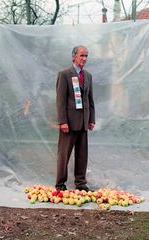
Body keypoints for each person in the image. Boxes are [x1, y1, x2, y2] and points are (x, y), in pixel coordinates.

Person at [55, 45, 95, 192]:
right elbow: (60, 101)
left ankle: (81, 183)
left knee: (82, 155)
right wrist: (63, 121)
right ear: (74, 57)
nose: (84, 59)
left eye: (86, 56)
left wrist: (91, 119)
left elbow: (90, 100)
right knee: (64, 154)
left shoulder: (88, 76)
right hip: (69, 123)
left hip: (83, 122)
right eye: (81, 56)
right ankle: (60, 184)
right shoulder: (65, 74)